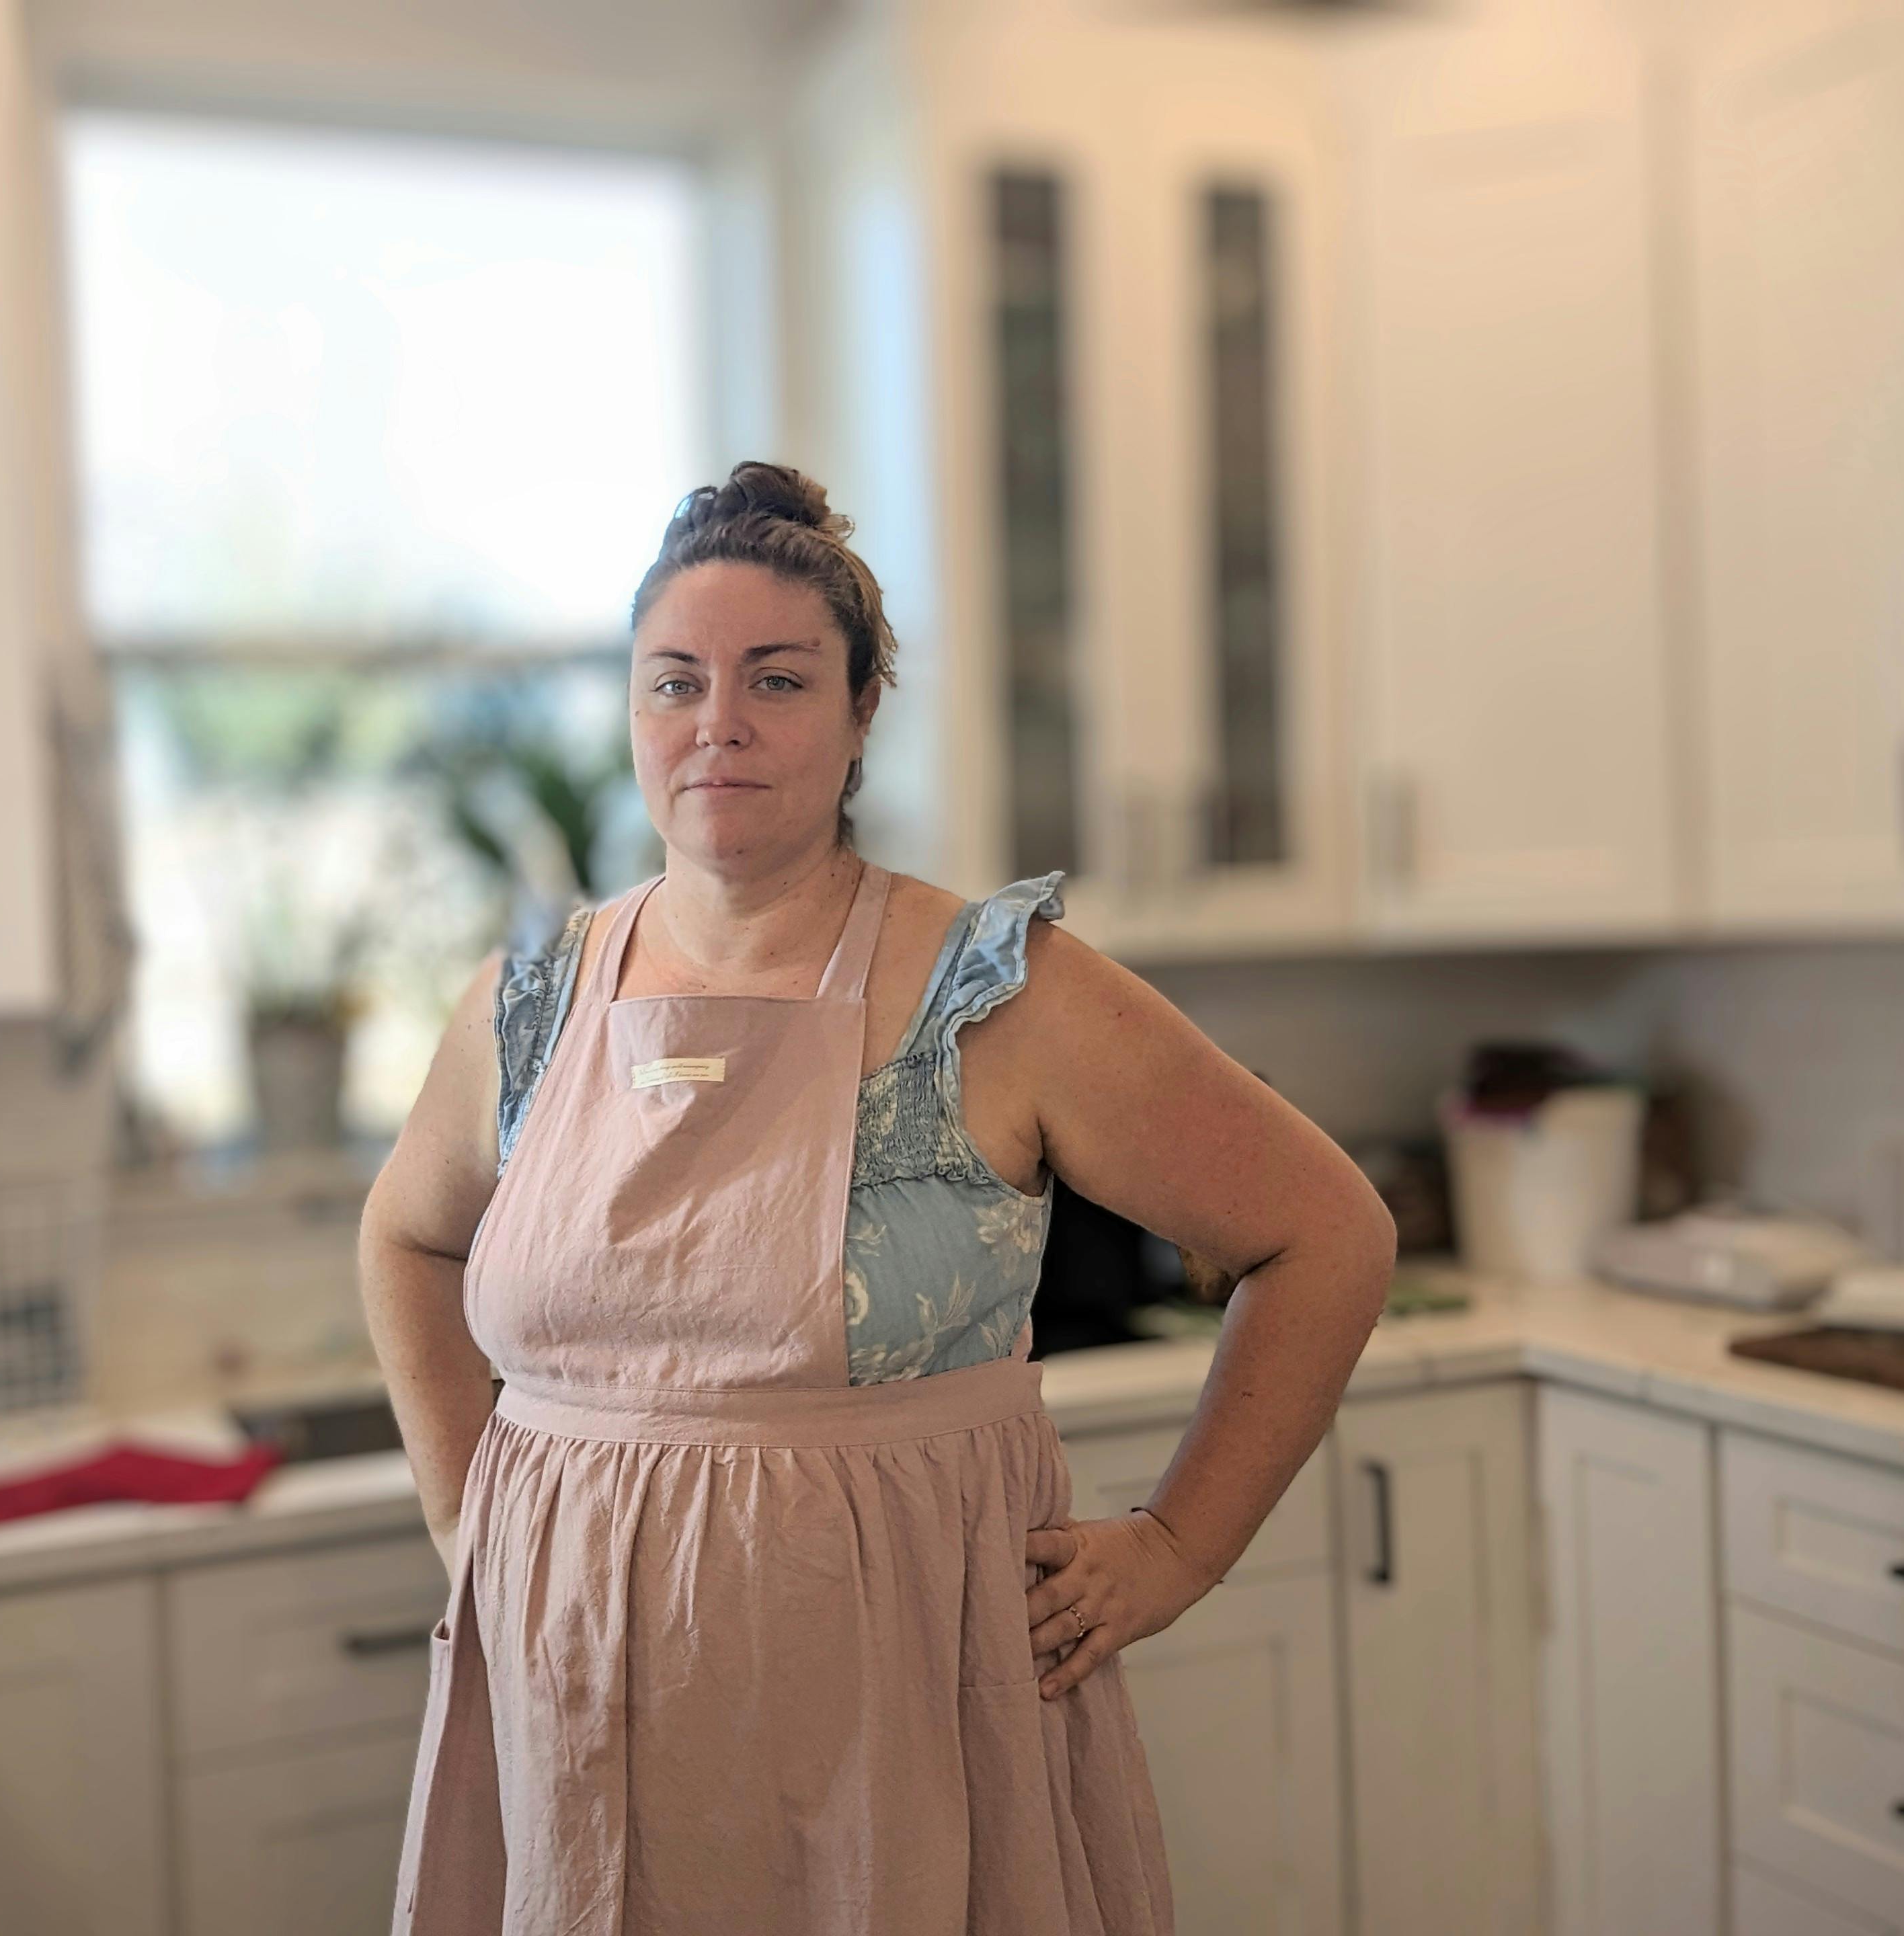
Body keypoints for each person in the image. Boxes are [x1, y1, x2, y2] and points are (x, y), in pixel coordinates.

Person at [360, 460, 1398, 1934]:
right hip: (572, 1709)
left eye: (776, 680)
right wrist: (477, 1519)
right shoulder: (529, 1003)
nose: (717, 722)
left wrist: (1177, 1549)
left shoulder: (997, 997)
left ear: (859, 718)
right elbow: (405, 1237)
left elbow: (1327, 1234)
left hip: (903, 1712)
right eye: (675, 683)